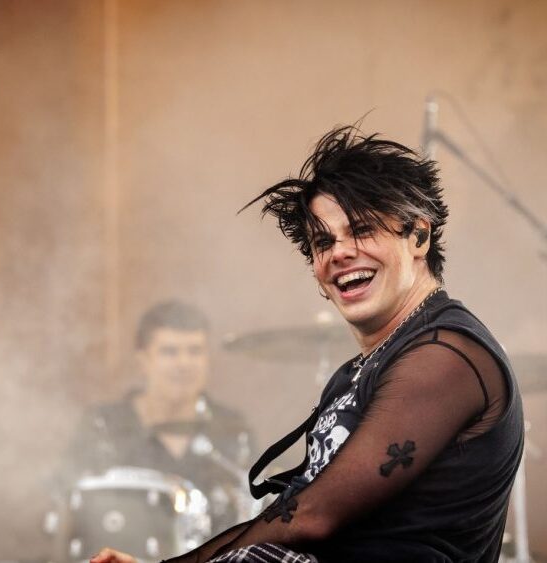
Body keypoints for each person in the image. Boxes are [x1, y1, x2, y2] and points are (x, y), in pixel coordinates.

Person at [91, 126, 524, 563]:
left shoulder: (445, 357)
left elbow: (312, 517)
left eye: (362, 230)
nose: (339, 253)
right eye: (323, 241)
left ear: (418, 237)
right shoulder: (358, 372)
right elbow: (292, 511)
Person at [58, 301, 255, 557]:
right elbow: (66, 510)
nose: (184, 363)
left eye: (195, 351)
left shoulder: (232, 428)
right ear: (143, 360)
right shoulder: (102, 426)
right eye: (169, 352)